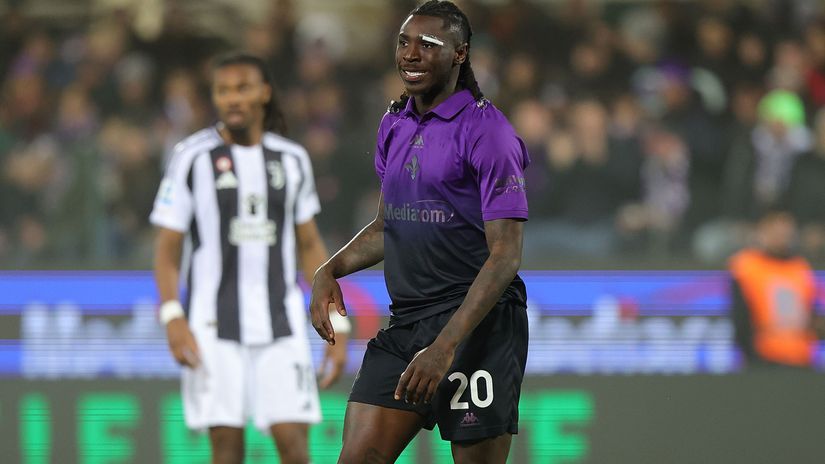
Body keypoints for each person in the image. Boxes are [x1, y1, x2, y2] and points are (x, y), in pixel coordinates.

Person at [310, 2, 530, 462]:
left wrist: (446, 345)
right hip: (407, 324)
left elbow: (506, 255)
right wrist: (330, 269)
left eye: (428, 44)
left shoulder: (489, 132)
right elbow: (388, 224)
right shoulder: (394, 123)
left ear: (459, 54)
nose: (411, 54)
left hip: (478, 329)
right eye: (404, 42)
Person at [150, 52, 348, 464]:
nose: (232, 98)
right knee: (226, 450)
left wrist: (338, 322)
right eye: (223, 90)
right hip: (212, 326)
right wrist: (172, 316)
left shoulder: (291, 159)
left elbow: (309, 244)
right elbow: (167, 248)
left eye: (242, 88)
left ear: (264, 93)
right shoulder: (191, 157)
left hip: (281, 323)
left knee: (295, 447)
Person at [728, 208, 821, 369]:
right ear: (761, 231)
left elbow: (811, 312)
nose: (781, 234)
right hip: (764, 359)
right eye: (774, 228)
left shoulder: (800, 267)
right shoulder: (746, 266)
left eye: (785, 228)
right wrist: (752, 358)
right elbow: (740, 318)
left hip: (801, 358)